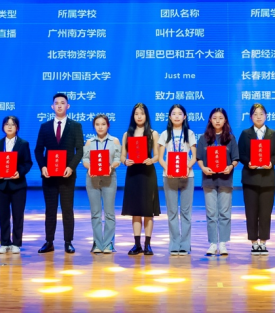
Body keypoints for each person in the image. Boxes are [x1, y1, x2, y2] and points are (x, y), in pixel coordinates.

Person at [34, 93, 85, 254]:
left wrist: (71, 167)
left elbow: (80, 150)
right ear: (52, 106)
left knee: (67, 209)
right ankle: (49, 241)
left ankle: (68, 242)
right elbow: (38, 150)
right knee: (50, 209)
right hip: (49, 176)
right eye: (57, 103)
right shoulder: (45, 127)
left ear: (68, 106)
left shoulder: (75, 126)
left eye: (63, 103)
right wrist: (43, 167)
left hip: (67, 176)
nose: (60, 105)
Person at [237, 103, 275, 256]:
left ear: (266, 116)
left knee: (265, 212)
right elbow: (241, 154)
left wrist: (271, 162)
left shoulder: (273, 134)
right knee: (251, 212)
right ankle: (254, 242)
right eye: (255, 114)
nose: (258, 117)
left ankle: (263, 242)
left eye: (261, 114)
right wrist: (248, 162)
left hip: (267, 178)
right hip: (250, 178)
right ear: (251, 117)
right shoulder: (245, 134)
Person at [196, 107, 239, 256]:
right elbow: (199, 158)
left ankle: (223, 243)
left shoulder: (230, 138)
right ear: (210, 120)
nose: (217, 121)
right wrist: (203, 168)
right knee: (211, 213)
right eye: (214, 118)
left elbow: (235, 159)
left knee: (225, 213)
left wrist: (230, 167)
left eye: (220, 118)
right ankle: (213, 243)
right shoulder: (203, 138)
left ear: (225, 120)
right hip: (209, 180)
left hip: (226, 180)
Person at [121, 103, 161, 256]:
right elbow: (123, 156)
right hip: (133, 173)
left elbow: (157, 155)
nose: (139, 116)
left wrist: (152, 160)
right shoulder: (127, 134)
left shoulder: (153, 133)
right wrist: (125, 161)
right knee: (135, 210)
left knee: (147, 210)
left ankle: (147, 245)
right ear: (133, 116)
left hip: (147, 173)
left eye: (142, 114)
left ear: (146, 116)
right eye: (136, 114)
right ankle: (137, 244)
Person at [158, 104, 198, 256]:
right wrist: (167, 168)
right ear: (169, 117)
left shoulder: (190, 133)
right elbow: (160, 158)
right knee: (172, 211)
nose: (176, 116)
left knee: (186, 212)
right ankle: (175, 244)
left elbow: (194, 156)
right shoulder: (164, 134)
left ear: (184, 117)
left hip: (187, 176)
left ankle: (185, 245)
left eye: (179, 114)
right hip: (169, 176)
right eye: (173, 114)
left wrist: (187, 167)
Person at [0, 115, 34, 254]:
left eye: (12, 124)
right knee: (3, 215)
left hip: (18, 185)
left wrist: (19, 173)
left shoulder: (23, 144)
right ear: (3, 127)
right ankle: (4, 243)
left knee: (17, 215)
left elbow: (28, 163)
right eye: (7, 124)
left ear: (17, 127)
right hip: (1, 185)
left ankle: (16, 243)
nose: (9, 127)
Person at [82, 114, 122, 254]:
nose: (100, 127)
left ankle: (108, 243)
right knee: (95, 213)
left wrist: (112, 166)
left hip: (109, 178)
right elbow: (85, 160)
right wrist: (90, 167)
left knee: (109, 212)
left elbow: (118, 158)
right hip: (92, 178)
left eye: (103, 124)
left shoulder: (114, 140)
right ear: (94, 126)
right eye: (97, 124)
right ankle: (98, 242)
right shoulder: (89, 142)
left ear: (108, 125)